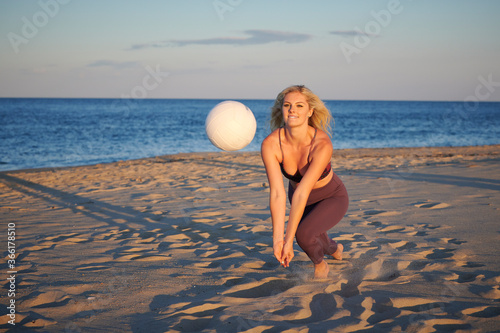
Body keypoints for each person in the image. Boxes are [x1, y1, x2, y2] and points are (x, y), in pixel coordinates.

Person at [261, 85, 349, 279]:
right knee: (315, 237)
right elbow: (277, 193)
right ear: (281, 109)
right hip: (299, 198)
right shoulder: (271, 144)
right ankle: (335, 249)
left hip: (331, 197)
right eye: (287, 105)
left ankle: (321, 266)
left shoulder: (322, 144)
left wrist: (288, 241)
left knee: (304, 234)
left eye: (299, 106)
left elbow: (303, 191)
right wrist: (277, 241)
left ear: (310, 111)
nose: (292, 110)